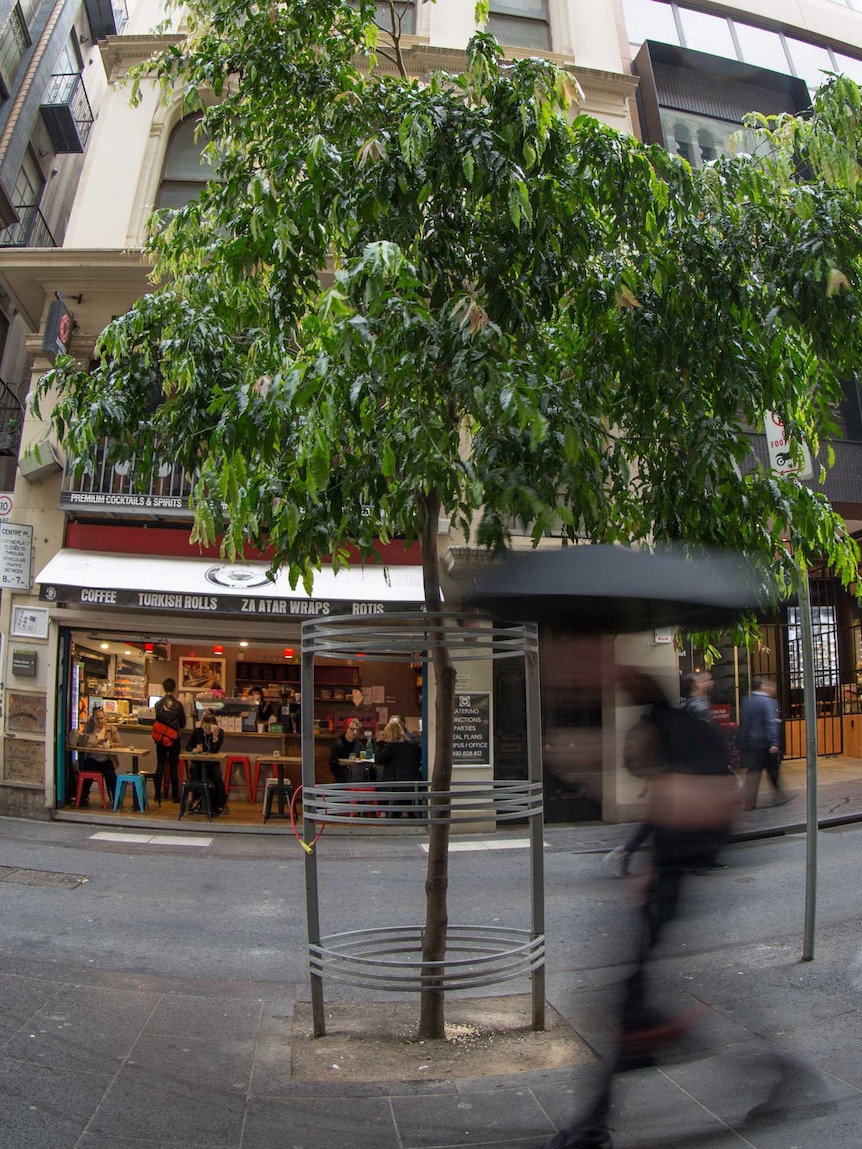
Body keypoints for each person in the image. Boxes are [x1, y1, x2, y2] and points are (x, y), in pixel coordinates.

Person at [550, 674, 740, 1149]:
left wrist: (658, 865)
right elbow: (663, 802)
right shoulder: (673, 732)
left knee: (630, 1000)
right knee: (631, 998)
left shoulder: (670, 730)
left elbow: (684, 804)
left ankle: (597, 1119)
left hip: (671, 878)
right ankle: (613, 1093)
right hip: (669, 874)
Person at [739, 678, 788, 810]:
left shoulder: (747, 701)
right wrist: (774, 742)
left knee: (753, 773)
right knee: (773, 770)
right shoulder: (770, 702)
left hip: (753, 744)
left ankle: (749, 802)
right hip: (766, 744)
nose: (773, 689)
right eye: (769, 686)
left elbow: (745, 724)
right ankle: (780, 795)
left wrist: (743, 743)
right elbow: (771, 722)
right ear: (762, 687)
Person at [376, 718, 423, 817]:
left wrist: (380, 743)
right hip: (413, 782)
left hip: (397, 784)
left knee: (380, 783)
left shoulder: (391, 747)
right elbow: (418, 762)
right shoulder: (413, 745)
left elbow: (379, 759)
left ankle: (384, 813)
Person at [185, 710, 228, 815]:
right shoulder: (197, 732)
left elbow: (215, 750)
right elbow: (188, 747)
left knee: (217, 777)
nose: (207, 730)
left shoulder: (219, 733)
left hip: (212, 763)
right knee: (195, 775)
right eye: (205, 728)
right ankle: (191, 801)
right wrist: (194, 749)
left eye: (209, 728)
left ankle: (221, 803)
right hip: (198, 762)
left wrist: (215, 737)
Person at [79, 706, 120, 805]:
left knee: (112, 777)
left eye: (102, 718)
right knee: (87, 776)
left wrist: (111, 744)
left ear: (105, 718)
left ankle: (116, 799)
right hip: (92, 759)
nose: (100, 721)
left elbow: (120, 744)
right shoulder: (89, 729)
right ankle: (83, 797)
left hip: (106, 759)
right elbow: (82, 742)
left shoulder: (111, 729)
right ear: (93, 720)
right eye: (97, 719)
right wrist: (97, 741)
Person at [154, 678, 186, 802]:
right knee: (173, 766)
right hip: (173, 739)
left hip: (160, 738)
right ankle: (175, 796)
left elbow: (157, 720)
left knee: (160, 764)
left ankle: (157, 795)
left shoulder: (158, 704)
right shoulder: (178, 704)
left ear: (163, 688)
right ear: (174, 688)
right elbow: (183, 723)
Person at [329, 718, 365, 782]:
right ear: (346, 729)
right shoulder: (338, 744)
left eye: (357, 730)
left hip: (355, 776)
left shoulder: (359, 744)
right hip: (340, 777)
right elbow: (333, 763)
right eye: (352, 729)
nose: (355, 732)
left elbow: (362, 760)